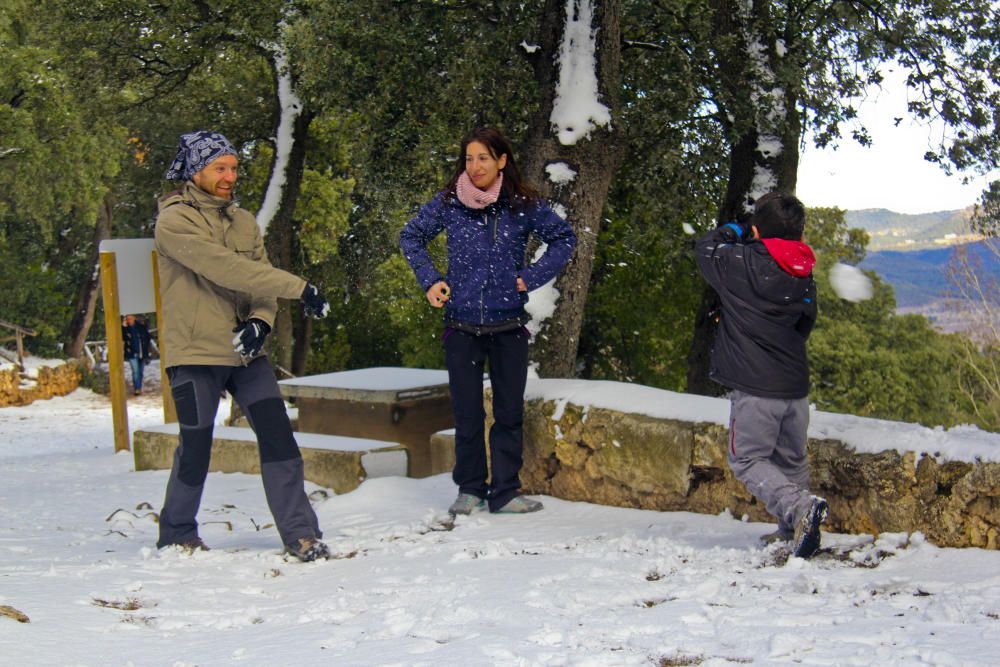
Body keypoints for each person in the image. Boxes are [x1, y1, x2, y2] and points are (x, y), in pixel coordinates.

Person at [154, 130, 333, 562]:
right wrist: (300, 287)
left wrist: (260, 321)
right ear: (196, 170)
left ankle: (302, 534)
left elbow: (260, 279)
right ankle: (177, 533)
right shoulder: (173, 221)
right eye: (220, 167)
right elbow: (228, 269)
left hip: (245, 354)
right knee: (195, 444)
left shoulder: (244, 221)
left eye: (234, 167)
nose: (230, 175)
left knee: (277, 438)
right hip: (195, 353)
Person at [400, 127, 576, 516]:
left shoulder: (522, 205)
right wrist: (431, 280)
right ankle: (471, 490)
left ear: (501, 161)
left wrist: (528, 278)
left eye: (483, 158)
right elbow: (411, 236)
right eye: (469, 158)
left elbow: (564, 239)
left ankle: (506, 491)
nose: (475, 166)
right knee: (467, 414)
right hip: (461, 326)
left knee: (509, 414)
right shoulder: (449, 202)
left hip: (509, 326)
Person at [694, 191, 828, 559]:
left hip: (756, 387)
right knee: (791, 460)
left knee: (747, 460)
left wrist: (736, 228)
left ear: (756, 229)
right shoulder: (804, 271)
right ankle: (793, 532)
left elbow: (705, 246)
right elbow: (806, 322)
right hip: (794, 384)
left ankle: (800, 509)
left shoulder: (737, 262)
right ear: (799, 235)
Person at [122, 314, 151, 395]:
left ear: (134, 318)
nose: (129, 320)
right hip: (132, 353)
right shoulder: (126, 329)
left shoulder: (140, 327)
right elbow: (123, 337)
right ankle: (137, 388)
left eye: (130, 318)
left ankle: (139, 387)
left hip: (141, 352)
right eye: (127, 319)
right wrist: (124, 327)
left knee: (140, 371)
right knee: (135, 371)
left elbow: (147, 337)